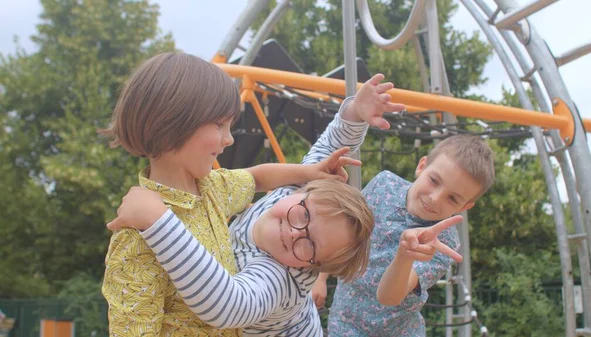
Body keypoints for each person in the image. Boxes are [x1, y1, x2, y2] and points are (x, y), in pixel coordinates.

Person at [106, 74, 408, 336]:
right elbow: (329, 145)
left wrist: (158, 220)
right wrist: (356, 112)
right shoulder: (295, 191)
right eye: (302, 215)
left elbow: (227, 306)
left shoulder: (280, 276)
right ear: (304, 192)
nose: (294, 232)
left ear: (313, 267)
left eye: (309, 246)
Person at [323, 134, 495, 336]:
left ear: (465, 206)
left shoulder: (443, 240)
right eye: (434, 180)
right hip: (344, 320)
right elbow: (345, 233)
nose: (435, 198)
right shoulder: (384, 185)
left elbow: (389, 297)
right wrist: (320, 277)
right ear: (422, 165)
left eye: (453, 198)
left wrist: (405, 255)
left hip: (398, 331)